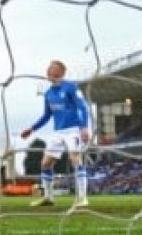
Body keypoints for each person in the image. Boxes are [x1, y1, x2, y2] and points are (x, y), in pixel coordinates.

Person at [20, 60, 91, 207]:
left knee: (75, 159)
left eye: (51, 68)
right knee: (45, 163)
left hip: (74, 130)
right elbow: (46, 116)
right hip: (58, 132)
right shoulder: (48, 93)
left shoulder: (71, 87)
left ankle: (83, 198)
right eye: (48, 69)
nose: (47, 71)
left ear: (60, 71)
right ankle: (48, 198)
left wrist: (84, 127)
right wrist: (32, 128)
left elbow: (82, 107)